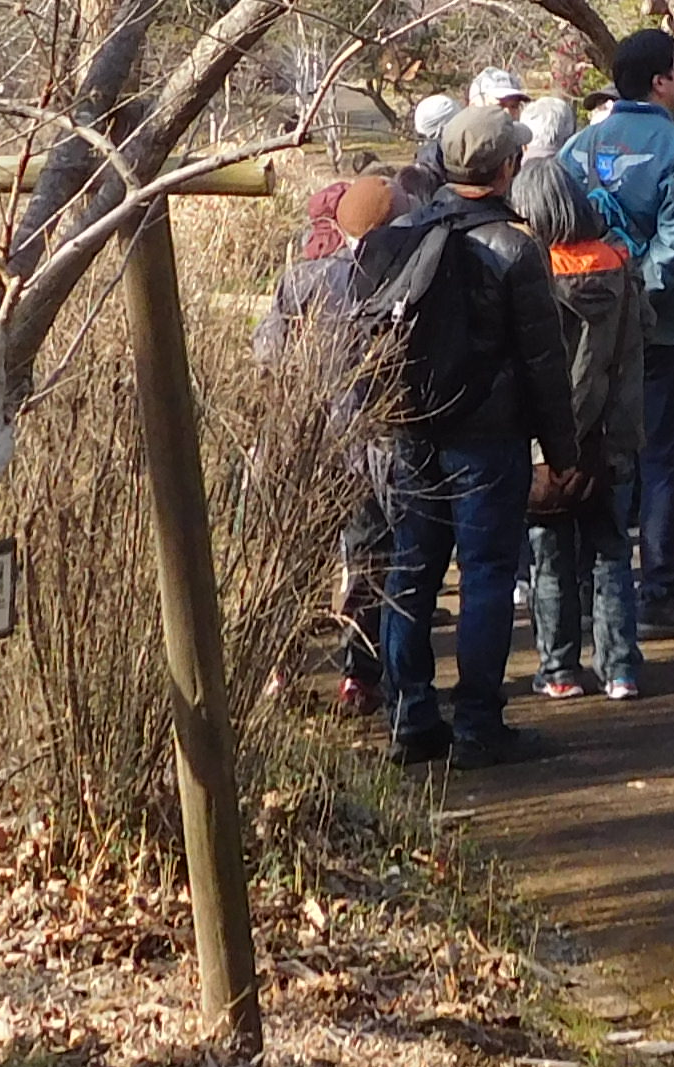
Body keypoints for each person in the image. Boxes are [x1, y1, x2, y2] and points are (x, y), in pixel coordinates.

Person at [353, 108, 581, 767]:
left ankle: (408, 717)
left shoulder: (397, 235)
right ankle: (479, 723)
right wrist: (561, 451)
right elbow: (544, 360)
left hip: (410, 430)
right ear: (506, 167)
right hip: (489, 436)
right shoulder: (515, 247)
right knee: (484, 575)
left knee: (411, 571)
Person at [564, 30, 674, 630]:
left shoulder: (577, 147)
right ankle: (661, 591)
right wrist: (639, 293)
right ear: (659, 81)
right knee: (665, 460)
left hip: (587, 329)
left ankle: (594, 593)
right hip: (666, 330)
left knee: (598, 451)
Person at [515, 147, 650, 702]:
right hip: (613, 438)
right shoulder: (620, 264)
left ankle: (559, 669)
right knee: (613, 553)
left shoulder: (529, 275)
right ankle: (620, 668)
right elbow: (646, 329)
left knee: (550, 559)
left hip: (545, 447)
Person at [265, 169, 397, 712]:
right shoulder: (385, 281)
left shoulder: (298, 281)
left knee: (296, 563)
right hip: (366, 445)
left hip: (306, 443)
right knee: (368, 562)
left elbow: (267, 355)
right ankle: (358, 677)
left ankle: (280, 669)